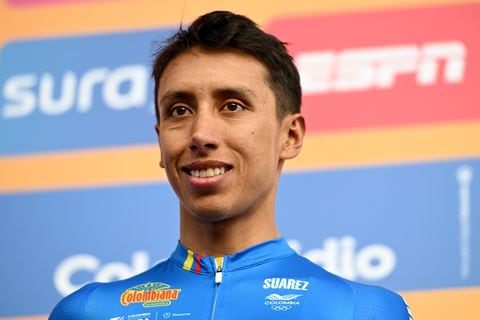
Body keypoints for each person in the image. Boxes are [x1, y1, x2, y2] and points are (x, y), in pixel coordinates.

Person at [50, 11, 412, 319]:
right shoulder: (89, 310)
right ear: (160, 141)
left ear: (291, 136)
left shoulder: (361, 311)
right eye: (180, 110)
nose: (200, 134)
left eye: (233, 105)